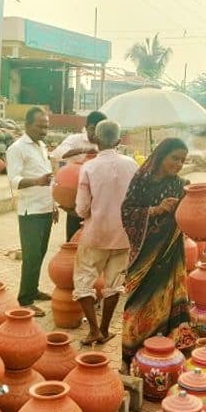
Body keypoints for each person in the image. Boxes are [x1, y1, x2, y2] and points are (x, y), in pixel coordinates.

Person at [120, 138, 191, 370]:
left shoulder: (179, 184)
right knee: (136, 304)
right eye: (175, 158)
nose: (178, 164)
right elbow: (127, 212)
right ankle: (129, 358)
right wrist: (156, 209)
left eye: (182, 160)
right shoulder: (141, 181)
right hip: (144, 256)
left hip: (170, 255)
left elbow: (189, 217)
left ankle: (164, 357)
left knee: (168, 301)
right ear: (161, 156)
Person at [73, 120, 139, 345]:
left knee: (83, 281)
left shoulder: (89, 167)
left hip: (96, 234)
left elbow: (82, 209)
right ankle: (104, 328)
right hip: (123, 235)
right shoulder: (131, 165)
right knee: (115, 283)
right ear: (119, 141)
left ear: (96, 139)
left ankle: (93, 330)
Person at [5, 106, 58, 317]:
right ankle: (25, 300)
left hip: (45, 208)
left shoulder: (42, 146)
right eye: (40, 126)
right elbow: (13, 180)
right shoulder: (17, 148)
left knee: (41, 254)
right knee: (31, 256)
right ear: (27, 125)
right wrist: (37, 181)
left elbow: (47, 179)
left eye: (46, 126)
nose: (44, 130)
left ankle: (33, 289)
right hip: (30, 212)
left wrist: (53, 205)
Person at [50, 111, 108, 241]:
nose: (95, 134)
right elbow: (58, 154)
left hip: (96, 199)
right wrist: (84, 151)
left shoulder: (104, 143)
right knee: (73, 237)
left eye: (99, 130)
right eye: (93, 129)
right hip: (75, 196)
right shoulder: (75, 139)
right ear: (87, 127)